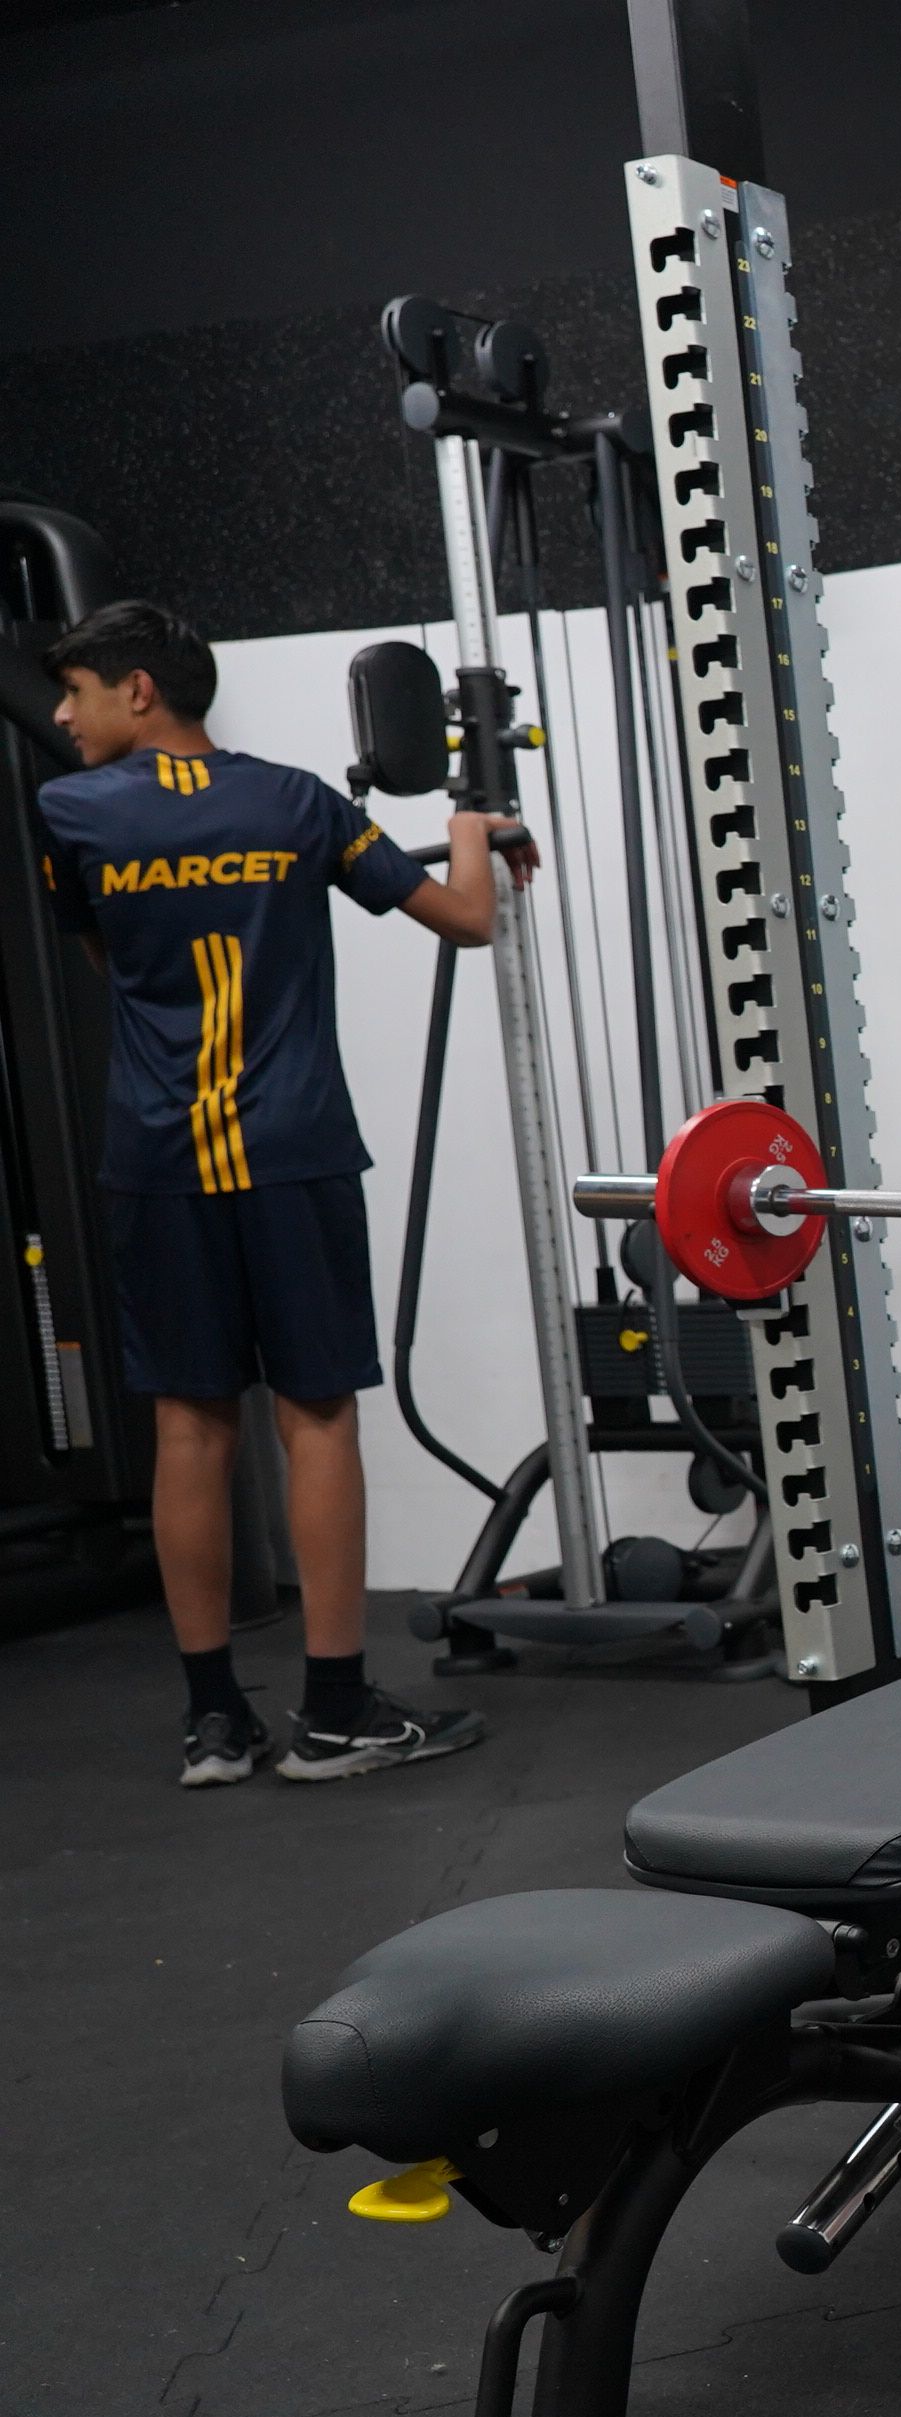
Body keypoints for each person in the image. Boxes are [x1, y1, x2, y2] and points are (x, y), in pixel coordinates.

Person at [37, 599, 514, 1788]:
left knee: (189, 1427)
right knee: (316, 1417)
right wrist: (471, 826)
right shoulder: (299, 802)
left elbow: (111, 956)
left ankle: (214, 1723)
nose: (61, 713)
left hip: (160, 1158)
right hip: (291, 1149)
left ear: (138, 691)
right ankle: (340, 1711)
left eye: (78, 690)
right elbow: (464, 919)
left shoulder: (69, 814)